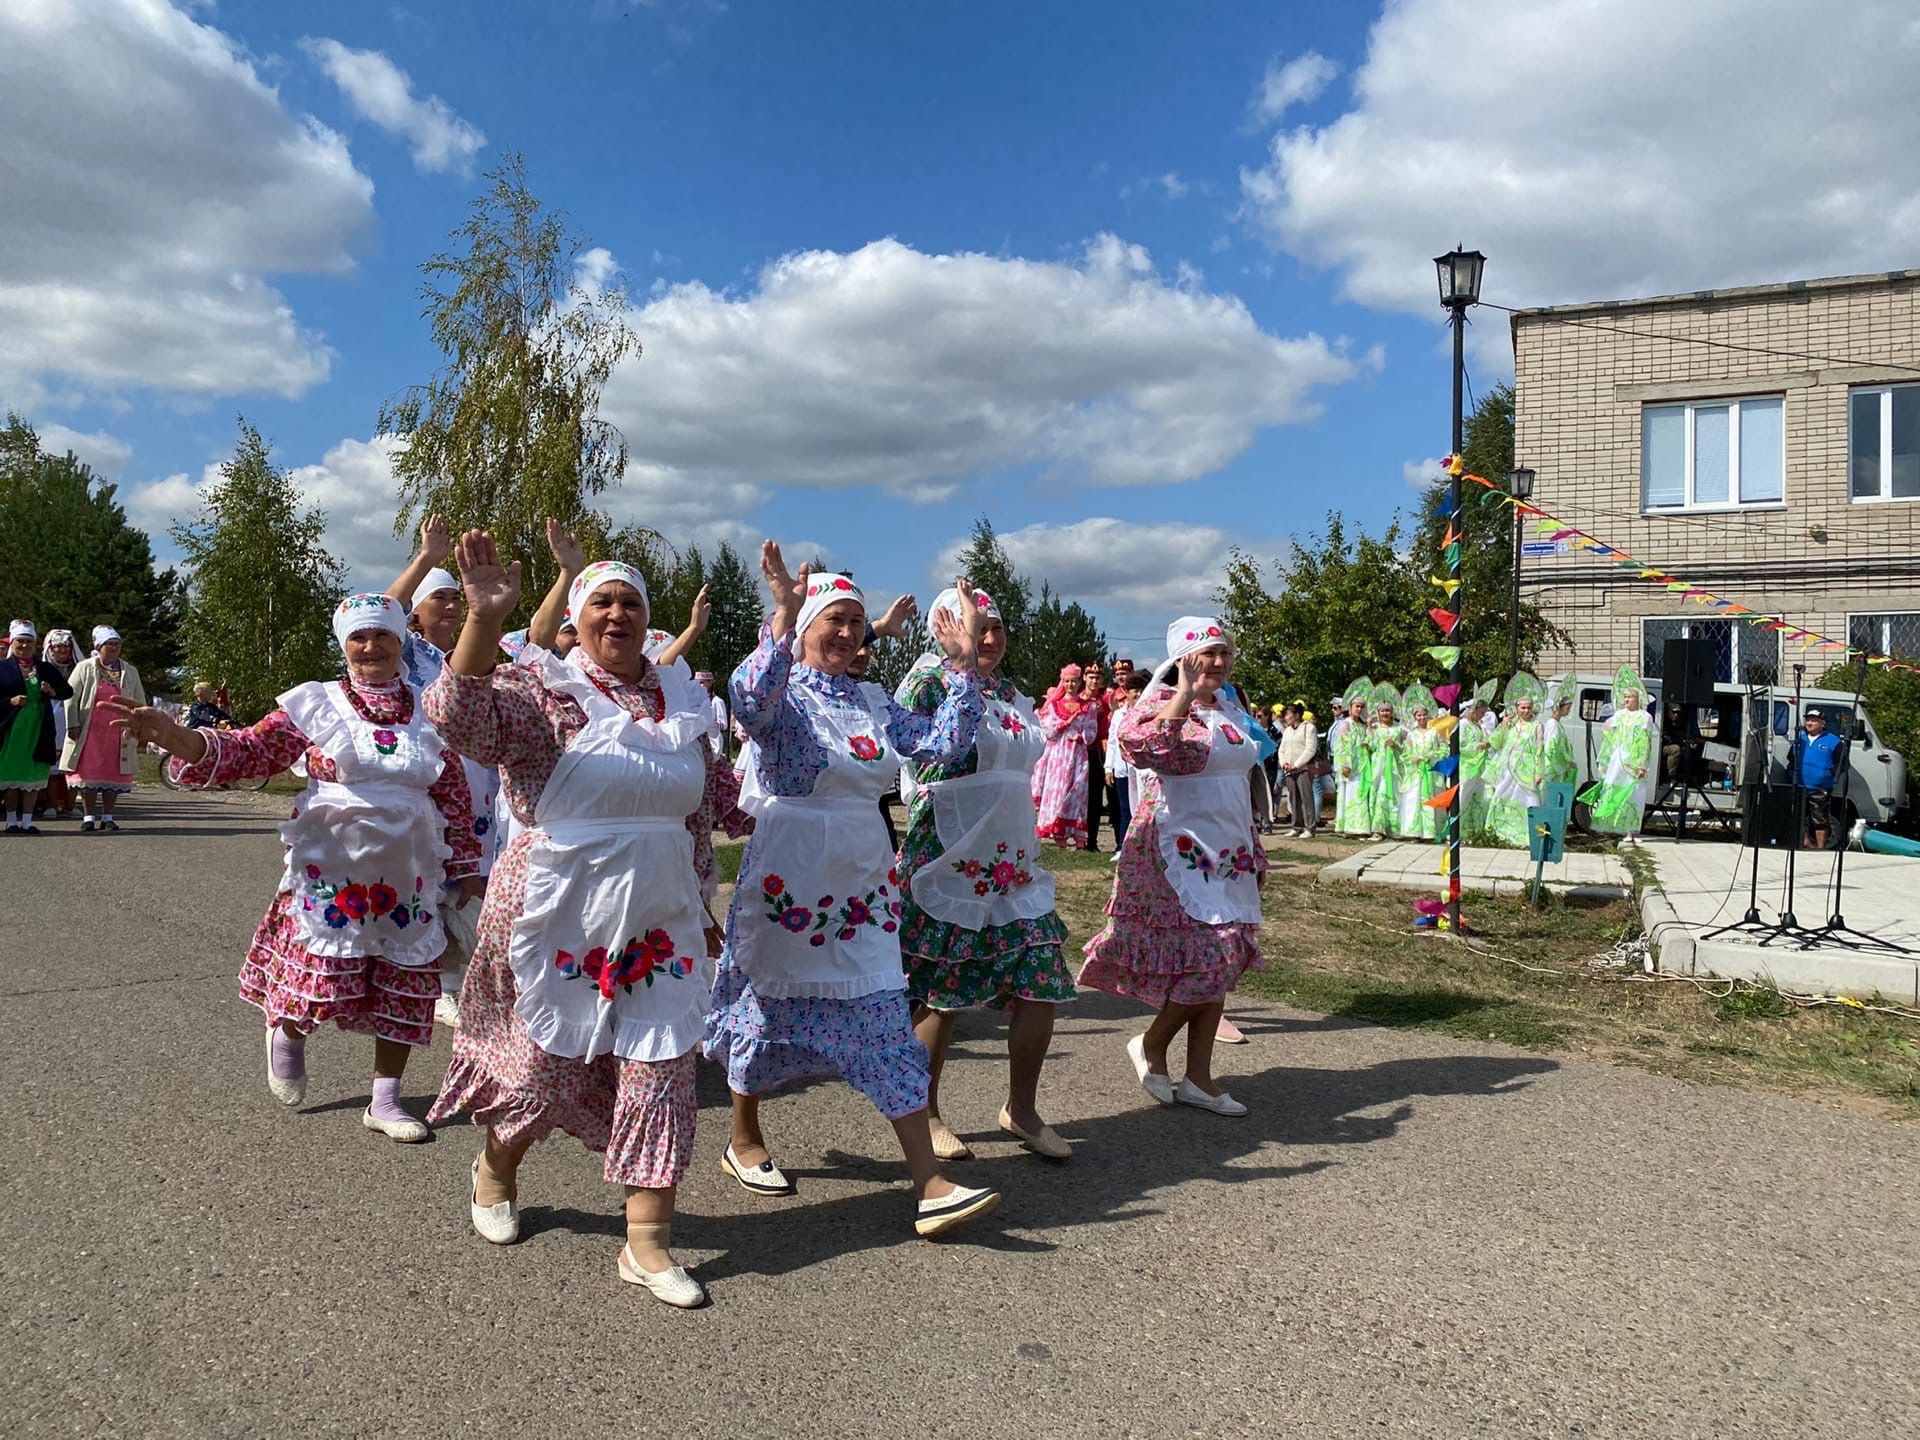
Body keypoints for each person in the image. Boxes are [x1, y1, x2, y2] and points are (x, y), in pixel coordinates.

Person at [424, 537, 735, 1308]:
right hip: (557, 909)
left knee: (661, 1068)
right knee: (543, 1071)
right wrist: (482, 621)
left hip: (659, 918)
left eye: (631, 601)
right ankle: (496, 1167)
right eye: (601, 601)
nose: (617, 614)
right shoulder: (543, 689)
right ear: (576, 616)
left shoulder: (684, 701)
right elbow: (458, 722)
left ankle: (648, 1244)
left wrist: (705, 907)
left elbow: (706, 812)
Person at [106, 593, 482, 1140]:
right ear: (343, 644)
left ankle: (386, 1100)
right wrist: (178, 737)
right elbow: (248, 752)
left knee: (407, 986)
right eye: (359, 636)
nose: (370, 645)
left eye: (382, 634)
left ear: (401, 640)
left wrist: (466, 868)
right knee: (320, 982)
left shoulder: (433, 711)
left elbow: (454, 795)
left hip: (410, 877)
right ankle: (286, 1030)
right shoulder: (317, 705)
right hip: (329, 876)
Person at [709, 546, 1000, 1238]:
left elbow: (943, 746)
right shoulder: (784, 698)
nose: (845, 634)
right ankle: (743, 1138)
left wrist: (961, 664)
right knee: (766, 1007)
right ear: (807, 626)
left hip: (862, 878)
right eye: (832, 620)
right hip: (790, 869)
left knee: (884, 1020)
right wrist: (781, 615)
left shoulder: (873, 699)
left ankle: (929, 1182)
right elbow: (747, 700)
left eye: (854, 622)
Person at [894, 586, 1075, 1163]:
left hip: (1013, 864)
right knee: (943, 994)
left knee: (1040, 981)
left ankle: (1021, 1109)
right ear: (943, 625)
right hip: (948, 853)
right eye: (976, 625)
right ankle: (926, 1112)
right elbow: (923, 753)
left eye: (995, 627)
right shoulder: (926, 682)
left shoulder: (1014, 695)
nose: (989, 638)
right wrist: (960, 665)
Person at [1080, 617, 1267, 1115]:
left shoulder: (1230, 707)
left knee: (1222, 965)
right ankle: (1151, 1043)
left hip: (1230, 852)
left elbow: (1245, 772)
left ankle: (1199, 1078)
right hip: (1178, 850)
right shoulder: (1158, 706)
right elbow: (1145, 750)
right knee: (1212, 958)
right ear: (1184, 660)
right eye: (1208, 655)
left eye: (1224, 653)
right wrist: (1182, 694)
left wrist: (1254, 843)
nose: (1219, 663)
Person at [62, 626, 145, 831]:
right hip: (90, 730)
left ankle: (108, 816)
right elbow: (70, 697)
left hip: (119, 731)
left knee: (113, 774)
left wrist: (139, 725)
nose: (114, 648)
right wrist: (73, 723)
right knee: (89, 776)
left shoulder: (130, 671)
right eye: (110, 644)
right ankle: (89, 817)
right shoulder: (85, 667)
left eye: (117, 644)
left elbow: (139, 700)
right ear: (99, 647)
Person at [3, 622, 74, 833]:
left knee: (32, 775)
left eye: (29, 642)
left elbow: (67, 691)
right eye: (20, 641)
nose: (24, 645)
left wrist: (51, 690)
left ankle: (27, 820)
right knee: (11, 774)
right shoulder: (2, 669)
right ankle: (11, 821)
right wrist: (10, 701)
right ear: (13, 643)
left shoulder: (44, 668)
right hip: (13, 729)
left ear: (35, 645)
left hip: (39, 728)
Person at [1577, 666, 1655, 835]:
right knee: (1613, 788)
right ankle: (1610, 825)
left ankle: (1630, 830)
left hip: (1633, 761)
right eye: (1625, 697)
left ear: (1638, 698)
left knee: (1632, 793)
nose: (1627, 700)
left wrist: (1643, 764)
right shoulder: (1619, 715)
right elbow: (1607, 731)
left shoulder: (1644, 717)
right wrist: (1607, 754)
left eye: (1630, 697)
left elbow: (1646, 743)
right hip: (1618, 758)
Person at [1034, 664, 1096, 848]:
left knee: (1076, 790)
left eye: (1074, 681)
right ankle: (1057, 830)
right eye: (1067, 681)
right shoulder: (1053, 706)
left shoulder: (1088, 706)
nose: (1070, 684)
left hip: (1078, 753)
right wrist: (1063, 724)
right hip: (1058, 755)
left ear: (1079, 682)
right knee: (1058, 791)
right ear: (1063, 682)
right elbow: (1046, 731)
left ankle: (1076, 833)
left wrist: (1082, 736)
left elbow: (1092, 729)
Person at [1486, 675, 1548, 848]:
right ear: (1516, 708)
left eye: (1528, 708)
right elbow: (1495, 743)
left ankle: (1530, 836)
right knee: (1501, 796)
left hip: (1527, 770)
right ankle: (1497, 832)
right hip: (1508, 769)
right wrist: (1503, 725)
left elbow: (1540, 750)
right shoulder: (1510, 724)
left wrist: (1538, 772)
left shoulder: (1537, 726)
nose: (1526, 711)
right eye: (1523, 708)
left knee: (1529, 800)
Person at [32, 627, 81, 821]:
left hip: (73, 719)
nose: (61, 650)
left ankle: (70, 805)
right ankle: (51, 804)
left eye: (65, 647)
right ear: (50, 649)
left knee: (71, 767)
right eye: (57, 647)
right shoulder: (41, 668)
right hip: (49, 720)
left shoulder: (79, 668)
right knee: (52, 767)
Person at [1790, 705, 1848, 850]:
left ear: (1822, 723)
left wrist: (1830, 774)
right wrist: (1791, 773)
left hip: (1821, 787)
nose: (1809, 723)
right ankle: (1805, 842)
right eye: (1808, 720)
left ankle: (1821, 847)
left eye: (1814, 721)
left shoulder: (1833, 741)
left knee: (1820, 818)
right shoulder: (1800, 740)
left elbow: (1843, 763)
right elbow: (1791, 759)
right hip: (1800, 785)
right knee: (1797, 815)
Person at [1397, 687, 1440, 839]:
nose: (1422, 718)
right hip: (1415, 772)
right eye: (1419, 715)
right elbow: (1405, 754)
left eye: (1424, 715)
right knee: (1414, 800)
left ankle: (1430, 831)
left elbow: (1442, 751)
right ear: (1415, 717)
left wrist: (1431, 756)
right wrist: (1412, 758)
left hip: (1429, 770)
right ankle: (1413, 831)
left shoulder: (1434, 733)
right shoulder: (1411, 735)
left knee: (1430, 798)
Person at [1459, 682, 1498, 842]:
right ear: (1473, 711)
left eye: (1484, 713)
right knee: (1463, 797)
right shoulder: (1463, 725)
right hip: (1467, 767)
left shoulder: (1479, 726)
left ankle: (1473, 830)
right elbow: (1459, 746)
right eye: (1480, 713)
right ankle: (1457, 831)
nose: (1483, 716)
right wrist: (1478, 746)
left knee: (1478, 798)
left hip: (1480, 767)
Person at [1363, 686, 1404, 841]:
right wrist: (1368, 730)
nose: (1385, 713)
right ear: (1378, 713)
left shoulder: (1399, 729)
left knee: (1393, 796)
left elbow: (1406, 749)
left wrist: (1396, 745)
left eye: (1387, 710)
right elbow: (1371, 745)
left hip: (1394, 767)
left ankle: (1394, 828)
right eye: (1382, 711)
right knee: (1379, 795)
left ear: (1392, 712)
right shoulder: (1375, 728)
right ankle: (1378, 830)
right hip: (1378, 766)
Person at [1332, 681, 1371, 836]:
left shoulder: (1361, 726)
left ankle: (1360, 826)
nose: (1359, 709)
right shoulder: (1345, 724)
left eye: (1361, 707)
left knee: (1360, 794)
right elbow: (1341, 747)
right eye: (1357, 706)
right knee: (1349, 795)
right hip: (1350, 766)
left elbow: (1369, 742)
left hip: (1362, 765)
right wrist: (1345, 765)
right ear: (1350, 707)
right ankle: (1348, 826)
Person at [1276, 702, 1318, 839]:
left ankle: (1310, 827)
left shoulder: (1309, 728)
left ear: (1297, 715)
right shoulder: (1287, 731)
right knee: (1293, 799)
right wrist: (1284, 763)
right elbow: (1281, 749)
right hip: (1289, 770)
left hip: (1303, 769)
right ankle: (1296, 826)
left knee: (1306, 798)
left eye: (1288, 714)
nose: (1285, 718)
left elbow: (1310, 749)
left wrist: (1297, 764)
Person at [1084, 660, 1111, 850]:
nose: (1094, 681)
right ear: (1085, 678)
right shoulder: (1077, 700)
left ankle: (1092, 841)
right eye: (1091, 677)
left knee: (1095, 798)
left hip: (1098, 753)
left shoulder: (1106, 702)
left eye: (1097, 678)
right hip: (1078, 754)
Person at [1545, 681, 1578, 788]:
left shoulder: (1557, 724)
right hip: (1553, 769)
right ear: (1559, 707)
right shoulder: (1553, 725)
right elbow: (1552, 749)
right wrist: (1566, 763)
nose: (1568, 711)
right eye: (1567, 708)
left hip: (1557, 769)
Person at [695, 670, 728, 757]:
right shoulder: (692, 700)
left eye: (701, 682)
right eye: (696, 682)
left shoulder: (717, 701)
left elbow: (724, 724)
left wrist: (710, 724)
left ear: (710, 683)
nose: (698, 685)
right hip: (696, 739)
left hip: (713, 740)